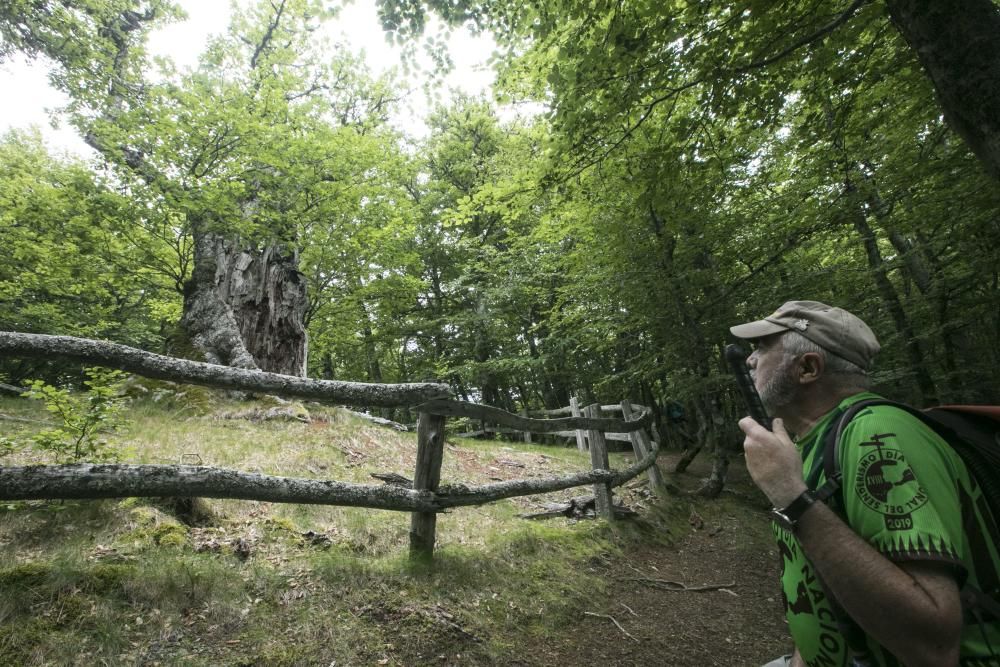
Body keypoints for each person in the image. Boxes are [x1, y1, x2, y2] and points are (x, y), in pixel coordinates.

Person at [730, 300, 1000, 667]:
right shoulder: (807, 447)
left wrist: (792, 498)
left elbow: (934, 648)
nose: (750, 359)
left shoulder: (877, 434)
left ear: (808, 367)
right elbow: (821, 583)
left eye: (763, 347)